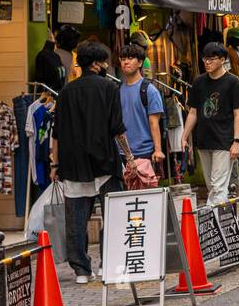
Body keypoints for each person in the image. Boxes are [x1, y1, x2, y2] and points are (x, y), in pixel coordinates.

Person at [51, 41, 128, 283]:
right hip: (105, 160)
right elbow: (117, 128)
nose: (106, 66)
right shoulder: (109, 88)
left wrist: (55, 164)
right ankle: (108, 263)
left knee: (76, 219)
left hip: (73, 162)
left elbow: (56, 133)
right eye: (104, 62)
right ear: (96, 64)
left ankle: (81, 270)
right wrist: (130, 157)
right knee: (113, 214)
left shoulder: (65, 92)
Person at [185, 41, 239, 205]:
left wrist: (236, 141)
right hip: (203, 140)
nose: (207, 62)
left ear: (222, 60)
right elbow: (193, 112)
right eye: (205, 59)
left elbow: (238, 114)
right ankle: (220, 217)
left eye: (211, 59)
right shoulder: (198, 82)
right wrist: (184, 137)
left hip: (224, 141)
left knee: (218, 186)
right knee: (211, 185)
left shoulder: (232, 82)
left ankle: (214, 218)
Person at [117, 43, 164, 189]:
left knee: (144, 196)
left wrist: (158, 150)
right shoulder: (117, 89)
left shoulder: (149, 90)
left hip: (144, 152)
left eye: (130, 58)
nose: (125, 62)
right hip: (121, 152)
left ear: (140, 62)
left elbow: (154, 122)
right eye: (123, 59)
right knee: (124, 197)